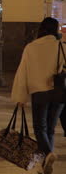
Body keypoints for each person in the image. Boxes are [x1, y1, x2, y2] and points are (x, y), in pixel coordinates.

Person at [11, 17, 65, 174]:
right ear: (55, 30)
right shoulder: (61, 46)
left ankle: (48, 155)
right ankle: (45, 164)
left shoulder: (31, 47)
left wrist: (21, 96)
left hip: (39, 92)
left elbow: (23, 73)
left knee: (39, 127)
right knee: (50, 129)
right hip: (59, 93)